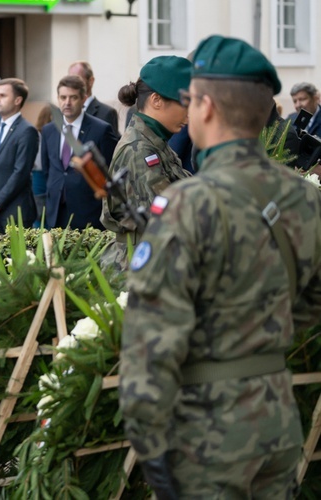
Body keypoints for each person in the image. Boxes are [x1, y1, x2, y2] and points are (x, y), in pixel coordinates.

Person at [120, 34, 321, 499]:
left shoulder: (186, 203)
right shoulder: (303, 196)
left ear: (205, 109)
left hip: (206, 430)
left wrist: (150, 445)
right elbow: (312, 301)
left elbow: (151, 337)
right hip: (277, 419)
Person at [100, 55, 191, 270]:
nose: (190, 112)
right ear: (156, 100)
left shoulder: (156, 143)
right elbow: (163, 220)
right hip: (140, 269)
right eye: (185, 103)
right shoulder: (139, 149)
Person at [42, 75, 118, 230]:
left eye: (73, 97)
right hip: (56, 212)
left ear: (84, 99)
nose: (67, 103)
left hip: (88, 213)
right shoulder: (49, 130)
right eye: (63, 97)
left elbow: (110, 171)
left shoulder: (101, 129)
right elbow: (47, 169)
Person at [0, 78, 39, 232]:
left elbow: (21, 172)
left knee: (16, 257)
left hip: (16, 212)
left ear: (18, 100)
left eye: (3, 95)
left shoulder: (27, 131)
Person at [68, 61, 120, 137]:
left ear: (90, 81)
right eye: (69, 80)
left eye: (77, 79)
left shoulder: (107, 113)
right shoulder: (64, 112)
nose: (72, 84)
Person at [32, 105, 52, 227]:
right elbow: (39, 161)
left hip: (39, 175)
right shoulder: (40, 135)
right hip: (39, 176)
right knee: (40, 211)